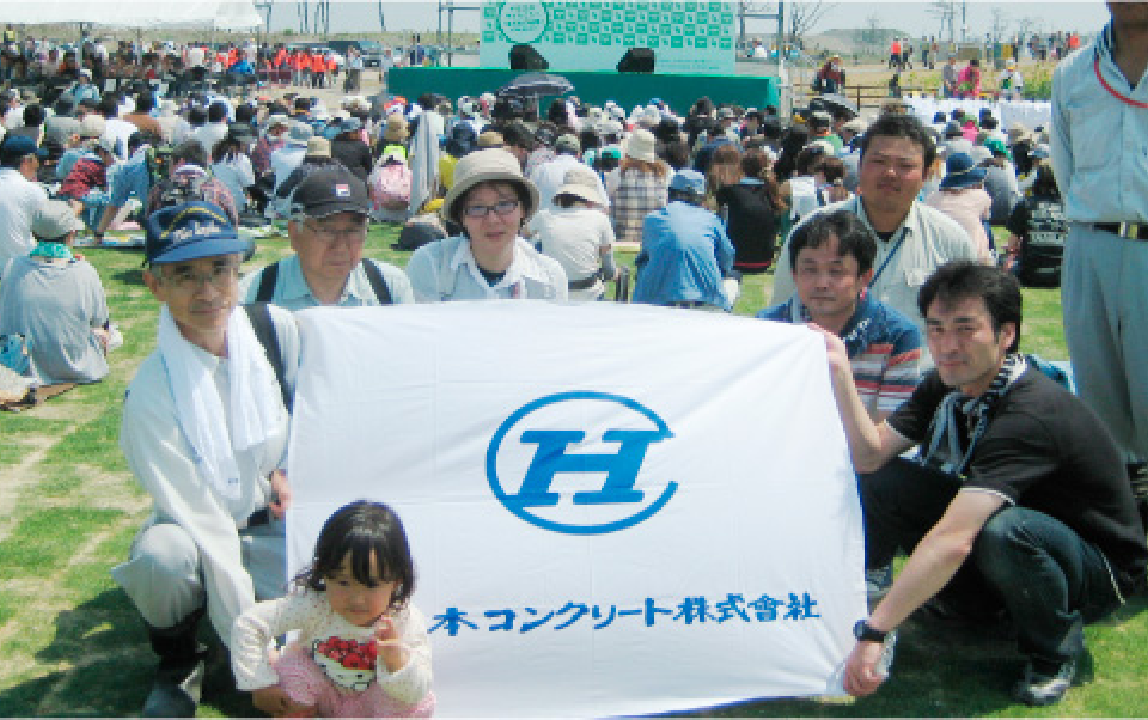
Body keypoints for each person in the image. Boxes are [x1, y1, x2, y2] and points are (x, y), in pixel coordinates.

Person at [821, 260, 1147, 708]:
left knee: (1004, 531)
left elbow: (955, 537)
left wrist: (876, 630)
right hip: (1024, 533)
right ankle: (969, 605)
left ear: (1006, 333)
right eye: (935, 329)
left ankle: (1053, 652)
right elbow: (870, 455)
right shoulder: (947, 386)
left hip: (1095, 566)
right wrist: (840, 375)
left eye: (965, 328)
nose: (947, 345)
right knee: (885, 479)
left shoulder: (1030, 413)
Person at [113, 201, 298, 717]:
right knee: (163, 559)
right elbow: (204, 521)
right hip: (199, 531)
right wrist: (255, 666)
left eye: (220, 269)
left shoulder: (273, 332)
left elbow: (315, 415)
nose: (207, 290)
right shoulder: (153, 391)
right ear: (156, 287)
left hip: (272, 519)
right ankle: (178, 661)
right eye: (185, 276)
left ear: (239, 272)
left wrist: (287, 472)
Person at [1051, 0, 1148, 510]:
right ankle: (1120, 524)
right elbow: (1065, 165)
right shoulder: (1074, 71)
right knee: (1100, 392)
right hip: (1091, 242)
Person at [772, 114, 978, 334]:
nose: (890, 173)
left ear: (926, 175)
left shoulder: (951, 241)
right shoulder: (810, 231)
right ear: (860, 166)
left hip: (919, 367)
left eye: (905, 165)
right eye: (879, 162)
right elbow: (780, 319)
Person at [232, 500, 434, 718]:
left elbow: (417, 692)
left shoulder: (403, 620)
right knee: (294, 669)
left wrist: (398, 661)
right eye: (343, 582)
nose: (357, 599)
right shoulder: (315, 605)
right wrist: (261, 683)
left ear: (396, 581)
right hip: (324, 698)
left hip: (374, 707)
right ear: (323, 573)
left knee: (409, 703)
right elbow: (250, 624)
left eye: (371, 585)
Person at [758, 209, 921, 421]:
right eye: (810, 270)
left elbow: (885, 438)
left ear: (864, 277)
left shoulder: (898, 337)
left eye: (836, 272)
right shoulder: (767, 329)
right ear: (794, 275)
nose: (822, 283)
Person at [405, 148, 567, 302]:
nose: (492, 219)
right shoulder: (431, 266)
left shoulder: (549, 278)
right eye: (477, 208)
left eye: (504, 205)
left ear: (522, 210)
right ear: (461, 216)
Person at [241, 166, 413, 309]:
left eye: (353, 230)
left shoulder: (389, 290)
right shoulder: (255, 294)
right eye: (327, 231)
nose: (340, 246)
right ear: (294, 234)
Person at [0, 200, 110, 385]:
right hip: (74, 365)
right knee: (108, 334)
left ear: (34, 234)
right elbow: (99, 320)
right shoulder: (84, 271)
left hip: (19, 363)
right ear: (71, 235)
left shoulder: (14, 266)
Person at [633, 169, 735, 310]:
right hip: (706, 300)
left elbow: (644, 258)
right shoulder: (712, 220)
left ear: (670, 193)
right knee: (733, 281)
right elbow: (727, 257)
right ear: (701, 198)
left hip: (656, 301)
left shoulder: (652, 219)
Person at [527, 164, 618, 300]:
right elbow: (609, 269)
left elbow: (523, 236)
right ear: (590, 198)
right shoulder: (600, 219)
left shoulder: (544, 216)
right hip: (590, 293)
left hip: (552, 293)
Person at [924, 152, 994, 261]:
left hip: (939, 256)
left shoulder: (932, 198)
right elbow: (986, 216)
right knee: (984, 223)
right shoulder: (980, 196)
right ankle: (987, 256)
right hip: (972, 258)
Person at [607, 129, 669, 244]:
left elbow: (608, 205)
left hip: (621, 244)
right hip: (651, 245)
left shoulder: (617, 175)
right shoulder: (662, 178)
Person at [0, 135, 49, 271]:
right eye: (37, 160)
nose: (39, 165)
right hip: (19, 267)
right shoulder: (32, 191)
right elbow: (48, 231)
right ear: (27, 161)